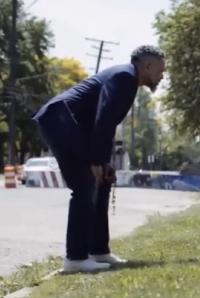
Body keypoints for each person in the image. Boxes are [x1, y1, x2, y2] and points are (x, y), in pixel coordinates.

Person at [33, 45, 166, 273]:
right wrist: (96, 160)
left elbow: (107, 122)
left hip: (70, 125)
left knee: (102, 182)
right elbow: (103, 118)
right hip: (59, 120)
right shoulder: (125, 77)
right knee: (85, 186)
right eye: (161, 70)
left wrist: (104, 162)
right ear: (148, 66)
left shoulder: (128, 79)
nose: (162, 76)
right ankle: (75, 258)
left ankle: (99, 251)